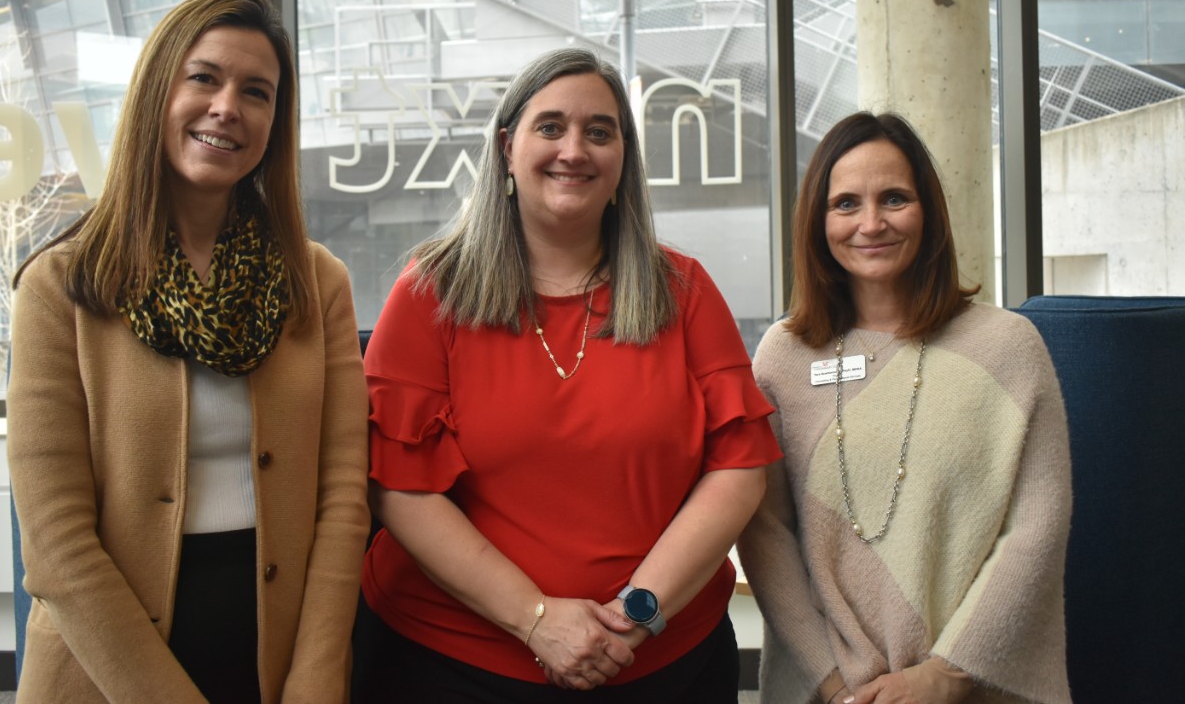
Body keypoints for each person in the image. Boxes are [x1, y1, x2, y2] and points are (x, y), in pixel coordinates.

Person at [352, 47, 781, 702]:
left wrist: (638, 612)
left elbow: (739, 465)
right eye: (550, 126)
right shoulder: (428, 294)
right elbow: (399, 487)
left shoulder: (685, 291)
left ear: (622, 162)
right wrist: (536, 618)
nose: (574, 149)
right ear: (506, 148)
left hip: (666, 661)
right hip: (450, 665)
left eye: (599, 132)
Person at [6, 0, 369, 704]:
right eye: (204, 77)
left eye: (256, 91)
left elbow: (343, 499)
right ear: (155, 92)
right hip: (106, 668)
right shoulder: (61, 284)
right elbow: (54, 542)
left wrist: (318, 671)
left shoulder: (315, 281)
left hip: (274, 658)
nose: (228, 106)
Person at [737, 112, 1072, 704]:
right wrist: (833, 680)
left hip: (971, 684)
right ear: (817, 221)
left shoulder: (1007, 347)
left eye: (894, 198)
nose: (871, 223)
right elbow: (766, 533)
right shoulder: (782, 358)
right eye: (845, 203)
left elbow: (1036, 528)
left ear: (929, 212)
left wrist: (946, 673)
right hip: (829, 691)